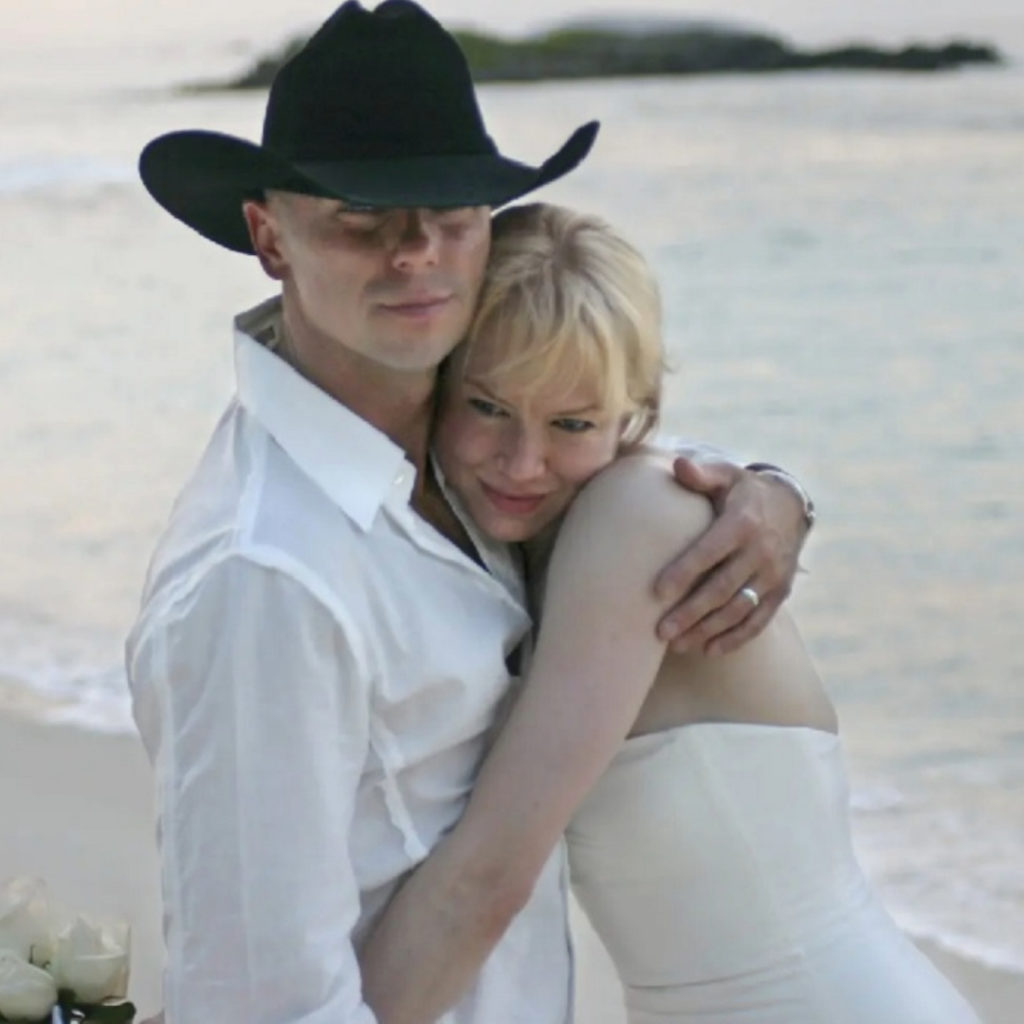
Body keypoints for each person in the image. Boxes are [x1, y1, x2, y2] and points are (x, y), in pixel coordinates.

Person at [126, 3, 813, 1022]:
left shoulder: (461, 448)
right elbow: (261, 1002)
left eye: (452, 215)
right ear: (269, 238)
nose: (417, 254)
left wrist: (772, 490)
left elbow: (594, 424)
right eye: (362, 218)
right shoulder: (267, 577)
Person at [354, 204, 981, 1023]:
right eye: (487, 407)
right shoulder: (526, 542)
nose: (522, 460)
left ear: (635, 414)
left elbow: (484, 881)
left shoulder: (638, 518)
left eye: (571, 423)